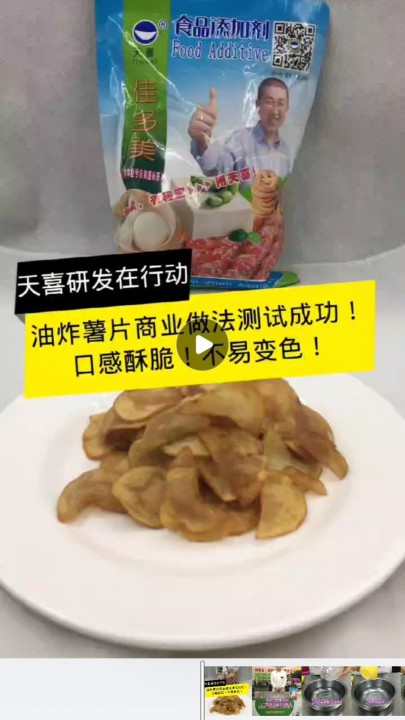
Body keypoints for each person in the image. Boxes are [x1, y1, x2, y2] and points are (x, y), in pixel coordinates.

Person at [188, 77, 291, 181]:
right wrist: (202, 141)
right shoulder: (241, 140)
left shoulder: (286, 151)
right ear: (258, 105)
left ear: (287, 108)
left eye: (280, 103)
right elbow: (218, 166)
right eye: (269, 102)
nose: (275, 111)